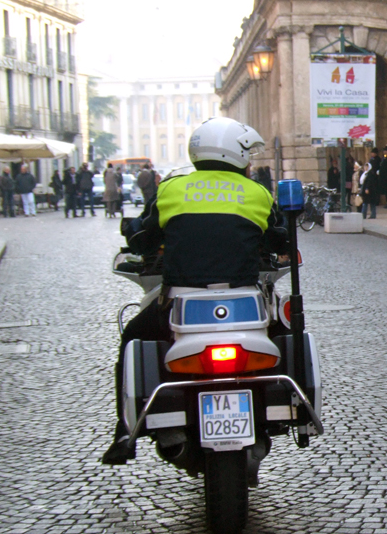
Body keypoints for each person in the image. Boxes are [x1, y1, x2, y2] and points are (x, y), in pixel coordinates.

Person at [102, 116, 289, 465]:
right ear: (237, 155)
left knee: (132, 335)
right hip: (245, 306)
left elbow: (142, 238)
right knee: (284, 328)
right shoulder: (258, 194)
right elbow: (278, 237)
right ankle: (287, 406)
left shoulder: (172, 190)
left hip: (181, 306)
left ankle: (124, 431)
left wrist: (136, 233)